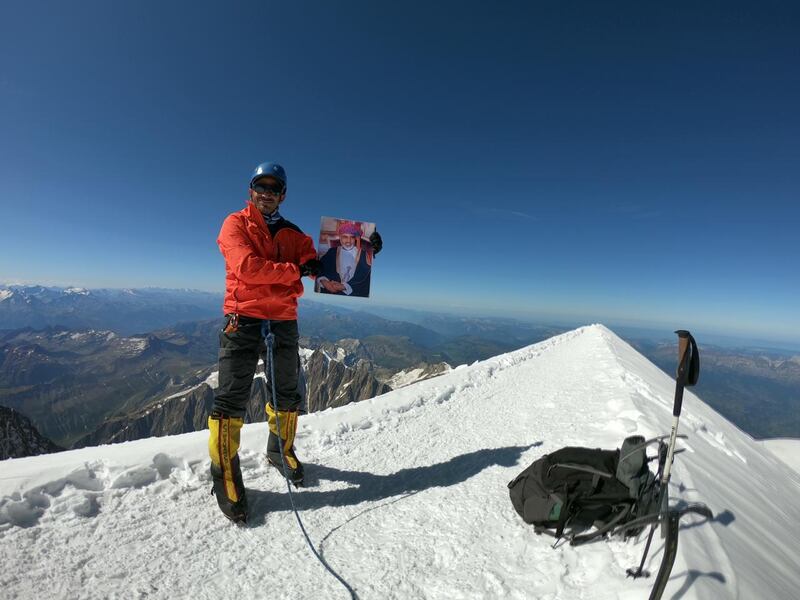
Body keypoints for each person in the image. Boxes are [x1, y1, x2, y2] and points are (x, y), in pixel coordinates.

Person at [207, 161, 322, 523]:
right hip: (243, 320)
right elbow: (246, 267)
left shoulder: (294, 235)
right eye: (261, 187)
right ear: (251, 190)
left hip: (283, 321)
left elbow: (323, 266)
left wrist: (366, 250)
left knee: (287, 394)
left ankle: (280, 451)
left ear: (282, 195)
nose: (266, 194)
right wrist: (293, 273)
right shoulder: (235, 224)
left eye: (274, 189)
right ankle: (225, 475)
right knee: (230, 399)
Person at [315, 220, 382, 297]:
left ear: (356, 238)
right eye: (345, 237)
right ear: (340, 237)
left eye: (352, 237)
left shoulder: (364, 254)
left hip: (354, 292)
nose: (348, 241)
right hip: (331, 291)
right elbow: (320, 267)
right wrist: (323, 281)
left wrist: (345, 286)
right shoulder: (332, 252)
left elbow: (366, 278)